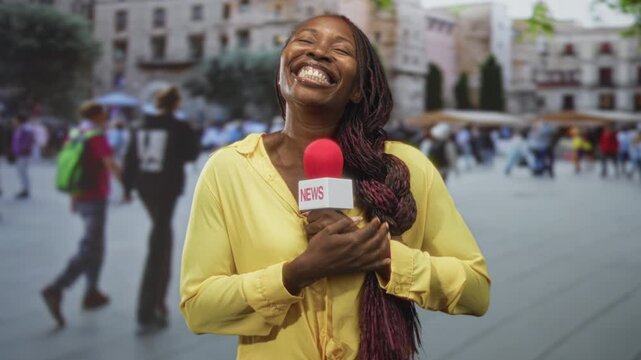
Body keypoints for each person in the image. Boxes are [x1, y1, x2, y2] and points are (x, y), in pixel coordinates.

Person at [179, 15, 490, 360]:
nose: (319, 53)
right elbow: (199, 307)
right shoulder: (229, 170)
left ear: (358, 88)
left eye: (340, 49)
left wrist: (387, 258)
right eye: (305, 41)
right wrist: (297, 273)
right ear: (282, 69)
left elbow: (475, 291)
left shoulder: (407, 169)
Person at [123, 86, 199, 332]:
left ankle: (158, 303)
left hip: (145, 187)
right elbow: (190, 154)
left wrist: (126, 186)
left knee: (162, 239)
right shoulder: (178, 126)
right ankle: (149, 307)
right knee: (159, 246)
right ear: (176, 103)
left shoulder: (140, 125)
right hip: (166, 188)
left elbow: (130, 158)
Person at [41, 102, 122, 327]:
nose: (106, 117)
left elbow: (73, 166)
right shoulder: (96, 136)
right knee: (90, 247)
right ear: (98, 116)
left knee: (96, 246)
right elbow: (110, 164)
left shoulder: (76, 133)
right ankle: (56, 288)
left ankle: (92, 292)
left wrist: (74, 196)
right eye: (104, 114)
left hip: (80, 196)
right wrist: (127, 185)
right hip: (95, 197)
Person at [11, 114, 34, 199]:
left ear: (20, 120)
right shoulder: (20, 128)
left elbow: (27, 142)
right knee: (21, 172)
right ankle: (24, 189)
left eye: (15, 119)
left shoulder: (26, 129)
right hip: (19, 153)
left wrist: (22, 150)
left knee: (23, 172)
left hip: (23, 154)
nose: (14, 121)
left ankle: (26, 190)